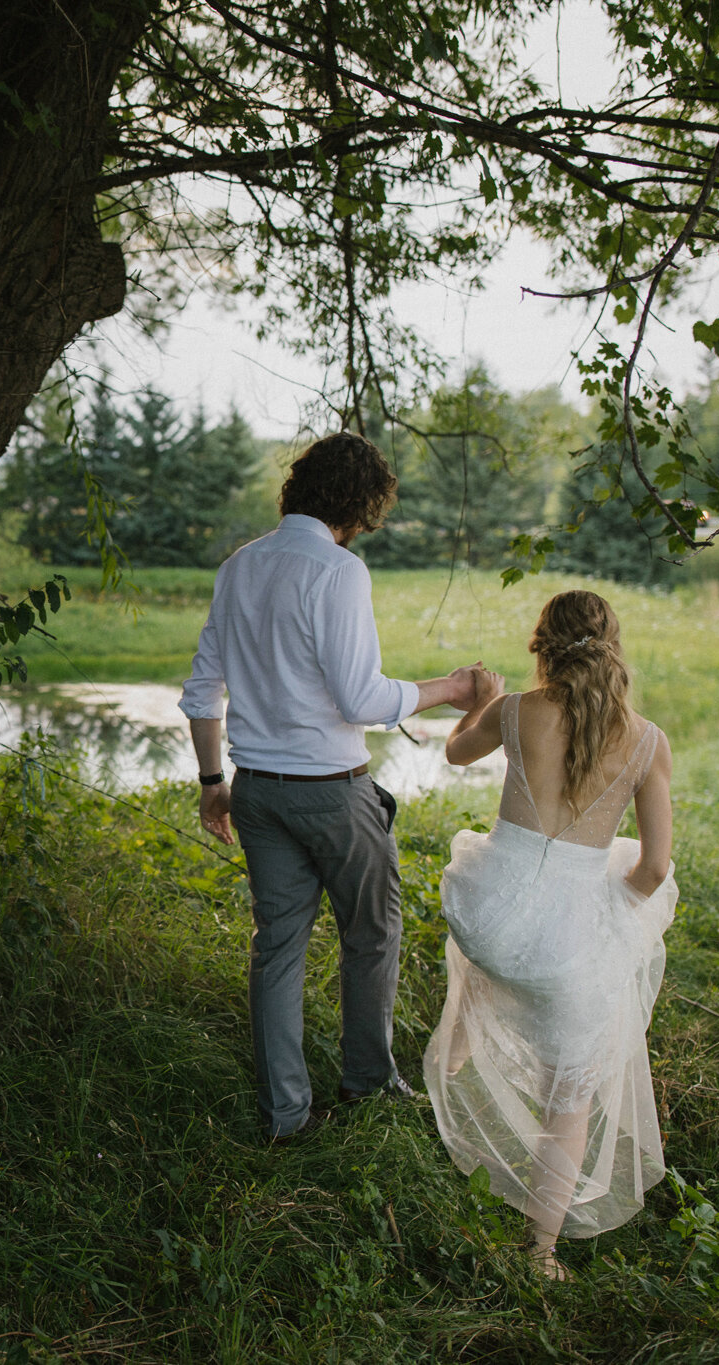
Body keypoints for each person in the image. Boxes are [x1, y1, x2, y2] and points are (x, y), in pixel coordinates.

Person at [180, 432, 485, 1143]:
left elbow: (201, 696)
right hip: (329, 792)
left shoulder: (239, 566)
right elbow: (363, 698)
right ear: (360, 504)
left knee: (277, 946)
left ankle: (287, 1116)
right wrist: (455, 688)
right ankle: (368, 1082)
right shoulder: (339, 570)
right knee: (373, 930)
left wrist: (211, 784)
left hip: (256, 789)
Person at [424, 589, 677, 1281]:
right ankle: (541, 1253)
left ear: (543, 646)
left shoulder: (516, 712)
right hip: (558, 944)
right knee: (570, 1095)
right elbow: (654, 868)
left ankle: (454, 1052)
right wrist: (604, 915)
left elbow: (452, 752)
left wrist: (482, 700)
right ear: (614, 645)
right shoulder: (647, 741)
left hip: (490, 912)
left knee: (492, 946)